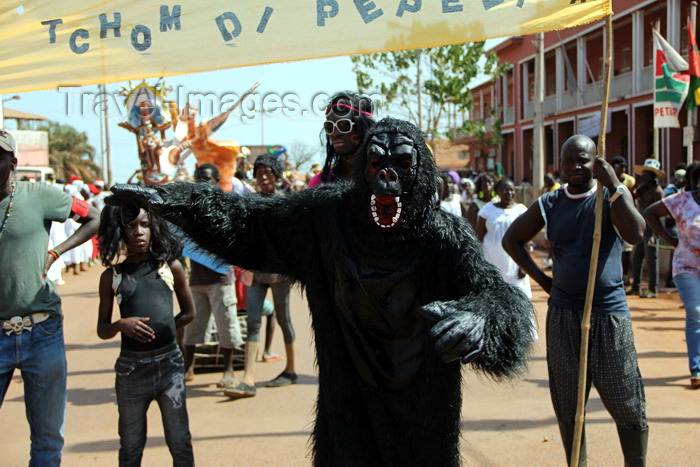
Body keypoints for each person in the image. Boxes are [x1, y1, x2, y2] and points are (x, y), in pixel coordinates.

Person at [106, 117, 533, 466]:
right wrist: (171, 199)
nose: (387, 176)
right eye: (377, 164)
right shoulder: (327, 216)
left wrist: (482, 319)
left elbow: (500, 299)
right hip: (349, 399)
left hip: (423, 405)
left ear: (420, 173)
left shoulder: (444, 235)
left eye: (401, 165)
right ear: (363, 169)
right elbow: (249, 223)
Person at [502, 134, 648, 466]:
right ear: (560, 164)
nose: (575, 167)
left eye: (582, 160)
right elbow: (513, 239)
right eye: (569, 161)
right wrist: (543, 280)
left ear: (595, 161)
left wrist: (614, 185)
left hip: (607, 313)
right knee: (568, 402)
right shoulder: (550, 203)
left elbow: (636, 234)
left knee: (624, 398)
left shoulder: (608, 198)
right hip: (564, 313)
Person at [0, 130, 100, 466]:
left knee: (46, 438)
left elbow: (93, 217)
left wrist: (56, 252)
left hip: (41, 333)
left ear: (12, 163)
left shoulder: (39, 195)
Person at [97, 203, 195, 466]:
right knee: (130, 445)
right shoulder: (112, 276)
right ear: (118, 232)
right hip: (131, 372)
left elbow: (189, 313)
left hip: (170, 367)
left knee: (180, 441)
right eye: (129, 227)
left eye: (145, 225)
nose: (138, 232)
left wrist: (164, 330)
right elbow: (102, 329)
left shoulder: (170, 267)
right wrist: (121, 325)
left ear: (155, 229)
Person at [223, 154, 298, 398]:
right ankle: (248, 378)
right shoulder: (250, 203)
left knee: (284, 320)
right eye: (259, 173)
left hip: (279, 275)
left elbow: (291, 240)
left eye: (268, 173)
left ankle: (290, 370)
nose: (263, 177)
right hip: (255, 274)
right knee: (253, 323)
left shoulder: (286, 203)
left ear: (276, 175)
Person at [182, 164, 244, 387]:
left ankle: (228, 370)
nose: (203, 183)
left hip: (220, 278)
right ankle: (187, 368)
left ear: (217, 181)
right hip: (197, 278)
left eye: (207, 179)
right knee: (193, 326)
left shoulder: (226, 207)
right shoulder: (188, 208)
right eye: (199, 178)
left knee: (226, 325)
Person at [643, 162, 700, 388]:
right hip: (687, 267)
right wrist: (671, 240)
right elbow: (650, 213)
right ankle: (696, 368)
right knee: (695, 312)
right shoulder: (682, 200)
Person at [476, 177, 535, 338]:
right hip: (492, 261)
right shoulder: (487, 210)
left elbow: (527, 240)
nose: (509, 193)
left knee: (519, 297)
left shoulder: (521, 210)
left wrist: (525, 265)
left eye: (511, 189)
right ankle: (495, 333)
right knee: (493, 298)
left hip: (515, 262)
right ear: (498, 191)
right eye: (504, 189)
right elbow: (479, 237)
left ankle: (520, 333)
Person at [307, 91, 375, 187]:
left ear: (363, 129)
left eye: (343, 125)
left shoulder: (382, 177)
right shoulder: (320, 182)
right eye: (329, 127)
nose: (335, 133)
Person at [628, 158, 665, 298]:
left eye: (647, 174)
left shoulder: (658, 192)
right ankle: (636, 286)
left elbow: (660, 214)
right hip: (642, 229)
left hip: (652, 230)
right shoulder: (643, 189)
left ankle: (652, 289)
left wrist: (656, 233)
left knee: (651, 260)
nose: (644, 177)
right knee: (637, 258)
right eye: (643, 174)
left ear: (653, 176)